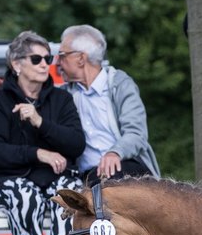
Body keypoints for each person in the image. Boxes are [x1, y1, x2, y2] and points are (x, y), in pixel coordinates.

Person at [0, 30, 85, 235]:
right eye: (36, 59)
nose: (44, 65)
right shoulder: (0, 102)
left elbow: (76, 144)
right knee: (25, 196)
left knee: (69, 192)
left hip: (53, 180)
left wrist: (41, 122)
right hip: (10, 180)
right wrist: (37, 153)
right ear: (16, 64)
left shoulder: (61, 100)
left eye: (47, 59)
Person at [57, 24, 161, 185]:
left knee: (114, 188)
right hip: (87, 175)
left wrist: (115, 153)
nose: (57, 62)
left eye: (62, 55)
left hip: (126, 167)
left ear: (81, 58)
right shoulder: (63, 95)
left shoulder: (120, 85)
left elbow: (136, 134)